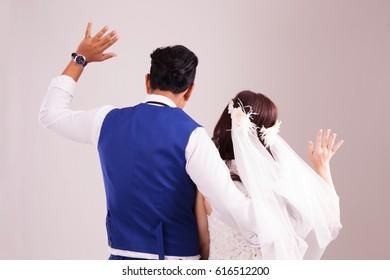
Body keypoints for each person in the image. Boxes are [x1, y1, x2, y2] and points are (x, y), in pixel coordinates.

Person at [39, 22, 259, 260]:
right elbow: (232, 207)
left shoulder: (105, 121)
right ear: (189, 90)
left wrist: (79, 59)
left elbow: (50, 114)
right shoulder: (193, 136)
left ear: (147, 81)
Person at [195, 90, 343, 259]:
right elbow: (329, 220)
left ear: (227, 123)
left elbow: (203, 243)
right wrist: (322, 166)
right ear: (268, 134)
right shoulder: (282, 179)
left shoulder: (210, 179)